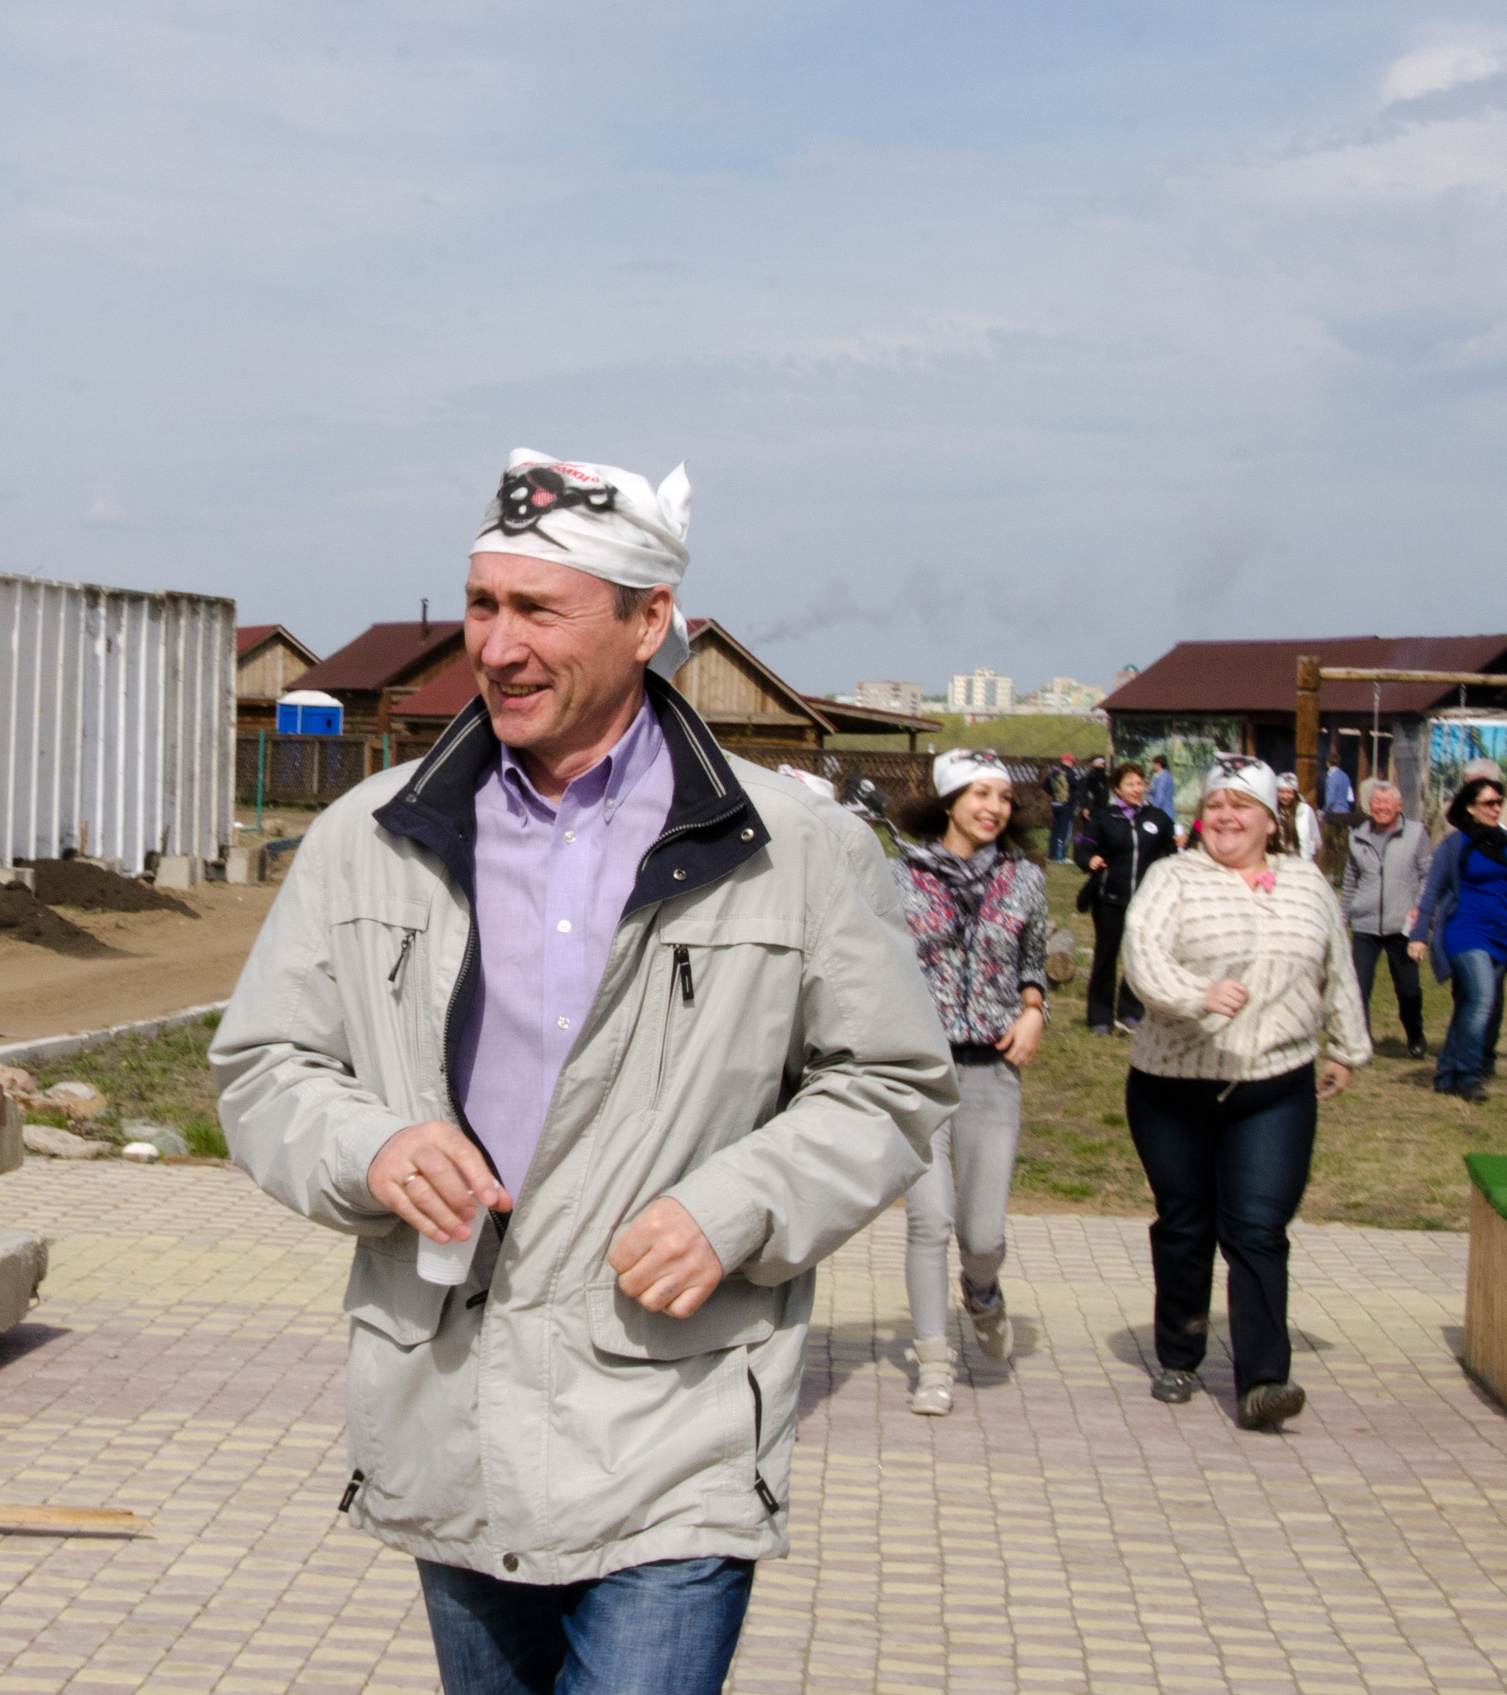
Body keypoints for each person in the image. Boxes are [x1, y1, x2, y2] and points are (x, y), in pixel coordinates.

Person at [212, 448, 956, 1695]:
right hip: (451, 1408)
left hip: (674, 1411)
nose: (494, 648)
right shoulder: (372, 836)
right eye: (481, 606)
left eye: (537, 612)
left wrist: (736, 1209)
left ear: (649, 621)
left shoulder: (796, 848)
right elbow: (263, 1067)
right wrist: (371, 1148)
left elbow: (888, 1080)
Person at [1120, 755, 1372, 1430]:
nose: (1227, 817)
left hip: (1275, 1083)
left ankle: (1264, 1379)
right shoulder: (1173, 877)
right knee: (1185, 1221)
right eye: (1217, 804)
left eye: (1243, 805)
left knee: (1258, 1228)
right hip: (1173, 1083)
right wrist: (1194, 995)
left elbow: (1335, 965)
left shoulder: (1306, 882)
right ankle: (1179, 1350)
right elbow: (1141, 957)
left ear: (1271, 818)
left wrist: (1348, 1045)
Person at [889, 750, 1049, 1416]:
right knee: (930, 1220)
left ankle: (982, 1292)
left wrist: (1035, 1007)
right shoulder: (896, 877)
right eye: (980, 793)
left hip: (992, 1067)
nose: (994, 807)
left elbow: (1034, 952)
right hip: (919, 1070)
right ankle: (933, 1361)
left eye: (1004, 797)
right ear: (949, 801)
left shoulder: (1026, 880)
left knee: (981, 1235)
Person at [1409, 776, 1507, 1102]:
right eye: (1489, 803)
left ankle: (1447, 1073)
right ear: (1471, 808)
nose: (1496, 807)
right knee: (1483, 999)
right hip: (1465, 931)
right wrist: (1419, 937)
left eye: (1499, 801)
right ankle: (1471, 1076)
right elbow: (1432, 892)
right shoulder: (1454, 844)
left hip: (1501, 933)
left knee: (1468, 1005)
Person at [1072, 760, 1178, 1032]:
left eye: (1140, 783)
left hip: (1145, 902)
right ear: (1117, 788)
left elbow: (1171, 854)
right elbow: (1083, 848)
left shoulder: (1157, 818)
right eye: (1129, 783)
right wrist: (1090, 859)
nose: (1136, 788)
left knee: (1138, 956)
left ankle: (1130, 1012)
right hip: (1109, 899)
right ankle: (1099, 1018)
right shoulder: (1103, 818)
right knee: (1106, 957)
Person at [1340, 779, 1431, 1058]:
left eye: (1386, 803)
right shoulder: (1357, 836)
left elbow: (1429, 874)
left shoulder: (1416, 834)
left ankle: (1415, 1034)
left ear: (1399, 806)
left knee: (1408, 989)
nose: (1380, 808)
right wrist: (1341, 920)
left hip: (1400, 925)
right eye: (1375, 803)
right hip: (1365, 924)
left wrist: (1419, 909)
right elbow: (1350, 879)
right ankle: (1362, 1043)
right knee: (1359, 986)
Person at [1272, 770, 1322, 862]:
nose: (1285, 796)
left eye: (1289, 792)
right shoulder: (1273, 811)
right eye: (1281, 792)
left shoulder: (1305, 810)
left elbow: (1316, 839)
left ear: (1294, 793)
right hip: (1278, 860)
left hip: (1300, 859)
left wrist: (1311, 846)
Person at [1044, 753, 1077, 865]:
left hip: (1055, 804)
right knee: (1065, 830)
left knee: (1055, 829)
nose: (1073, 764)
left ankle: (1051, 854)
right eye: (1072, 762)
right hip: (1066, 805)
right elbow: (1077, 785)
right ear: (1067, 761)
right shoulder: (1069, 773)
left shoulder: (1053, 772)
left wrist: (1054, 794)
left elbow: (1045, 785)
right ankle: (1060, 855)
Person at [1147, 755, 1176, 824]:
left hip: (1163, 813)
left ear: (1158, 765)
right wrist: (1147, 789)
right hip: (1169, 813)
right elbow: (1158, 791)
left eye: (1153, 764)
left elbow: (1160, 797)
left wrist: (1152, 811)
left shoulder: (1162, 778)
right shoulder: (1168, 775)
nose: (1152, 766)